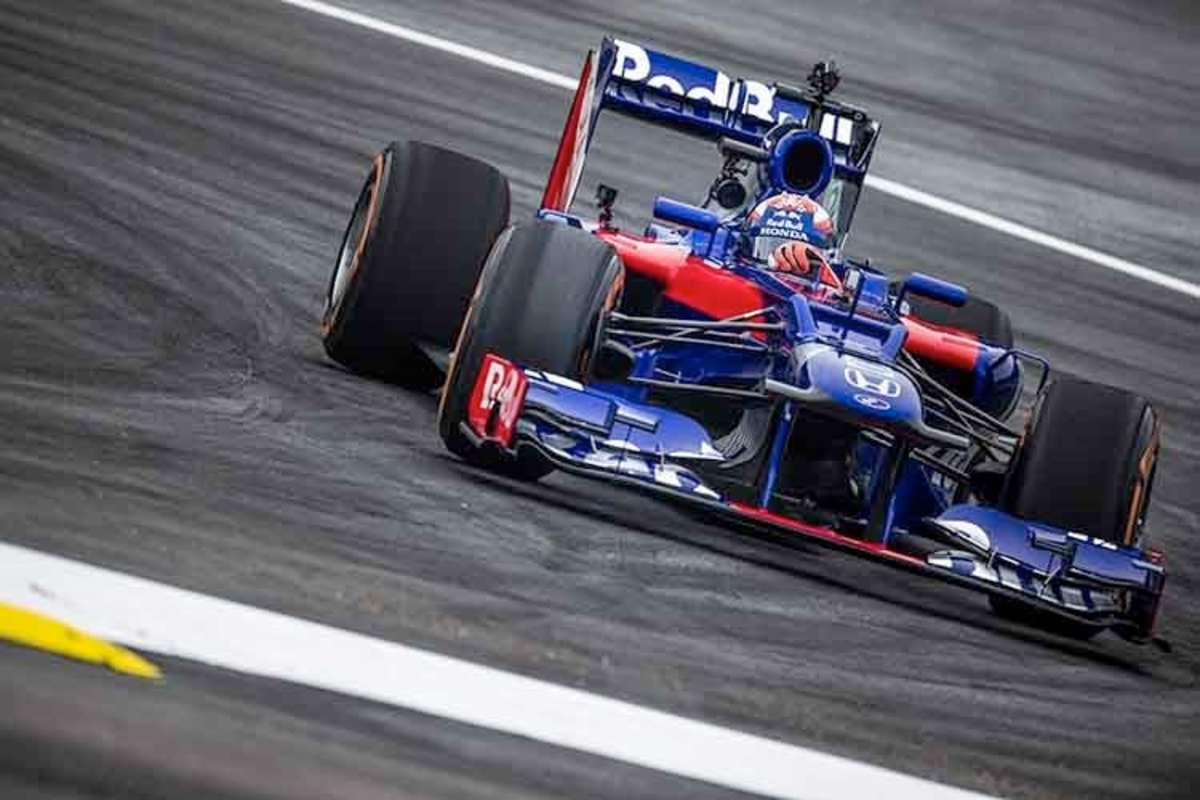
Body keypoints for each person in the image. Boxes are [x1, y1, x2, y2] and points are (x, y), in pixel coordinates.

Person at [742, 193, 842, 290]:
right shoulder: (743, 280)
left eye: (792, 255)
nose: (779, 264)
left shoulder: (828, 294)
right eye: (771, 246)